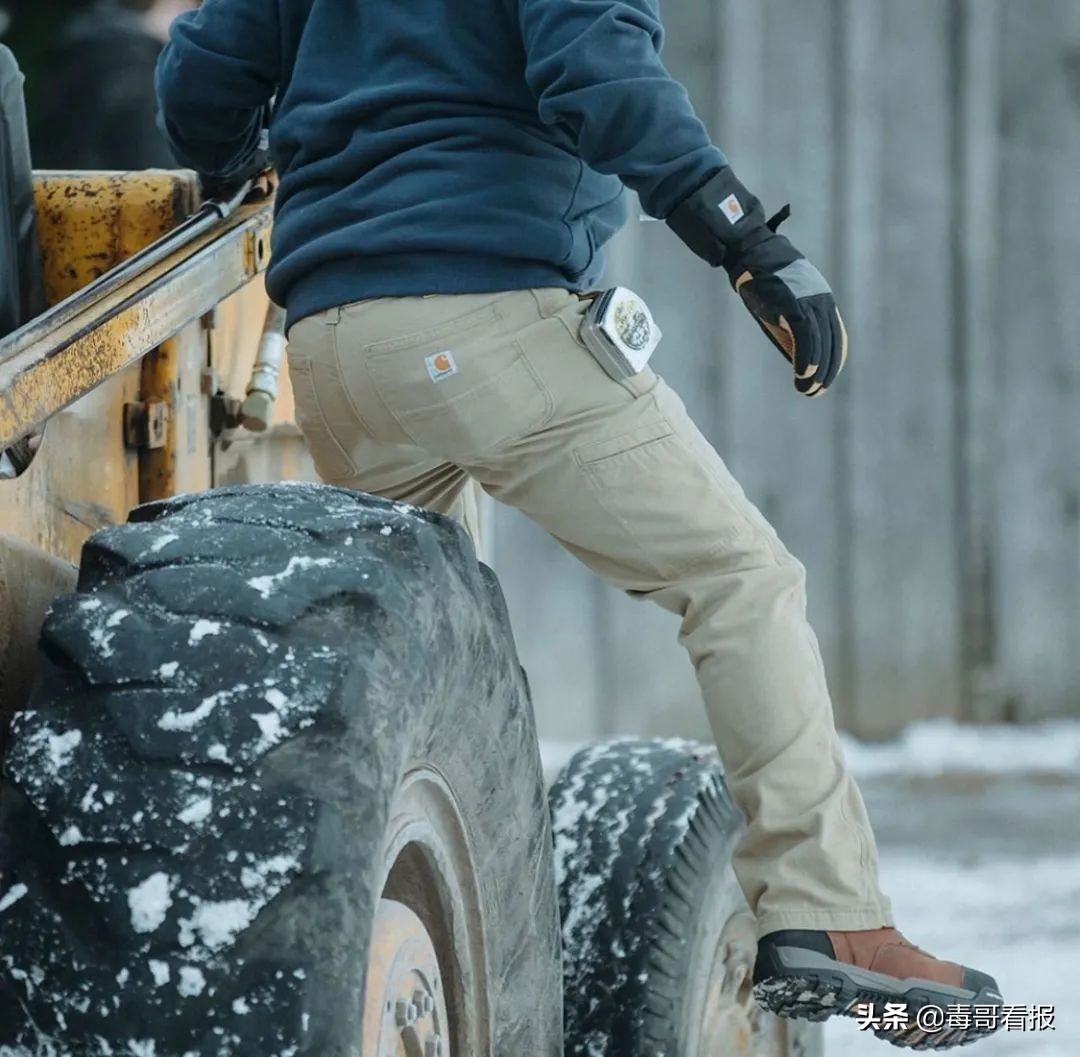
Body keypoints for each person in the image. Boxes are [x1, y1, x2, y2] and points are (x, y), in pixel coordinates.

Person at [155, 0, 1003, 1046]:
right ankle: (830, 915)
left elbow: (200, 74)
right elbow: (597, 71)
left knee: (429, 690)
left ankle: (408, 968)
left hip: (335, 349)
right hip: (490, 315)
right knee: (740, 578)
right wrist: (743, 236)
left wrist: (240, 157)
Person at [30, 0, 195, 170]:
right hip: (118, 187)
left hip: (70, 185)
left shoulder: (86, 37)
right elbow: (155, 162)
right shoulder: (133, 56)